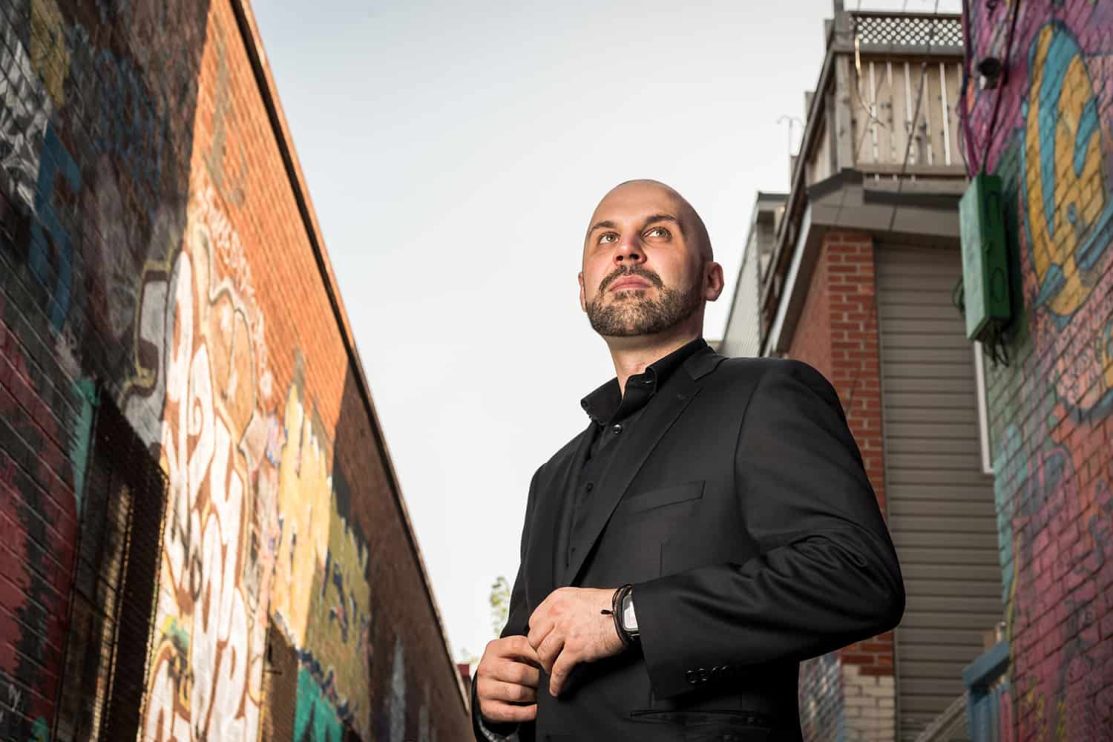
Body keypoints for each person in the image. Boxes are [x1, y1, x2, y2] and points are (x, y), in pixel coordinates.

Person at [472, 180, 904, 741]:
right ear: (583, 289)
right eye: (606, 237)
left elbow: (858, 576)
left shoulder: (769, 393)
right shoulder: (549, 480)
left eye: (656, 232)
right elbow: (530, 671)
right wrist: (494, 704)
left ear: (711, 279)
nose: (627, 249)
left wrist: (630, 616)